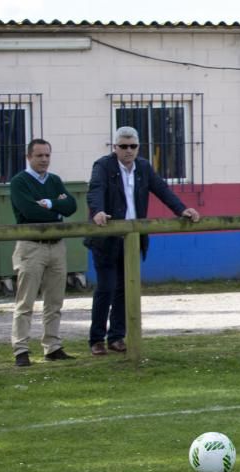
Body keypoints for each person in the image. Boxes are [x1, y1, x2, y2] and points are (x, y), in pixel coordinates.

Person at [84, 127, 200, 356]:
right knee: (106, 288)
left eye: (133, 146)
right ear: (115, 147)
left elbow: (162, 190)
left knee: (124, 289)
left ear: (138, 147)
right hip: (107, 237)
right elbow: (95, 190)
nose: (128, 151)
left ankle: (116, 337)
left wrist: (181, 210)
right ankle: (96, 339)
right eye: (123, 146)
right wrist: (97, 211)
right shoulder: (103, 166)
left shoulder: (144, 167)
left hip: (133, 239)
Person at [9, 139, 77, 367]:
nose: (44, 160)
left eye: (47, 155)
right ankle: (21, 349)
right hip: (31, 246)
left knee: (55, 300)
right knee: (25, 301)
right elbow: (28, 211)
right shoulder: (20, 182)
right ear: (29, 157)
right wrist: (57, 210)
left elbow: (71, 206)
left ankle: (53, 346)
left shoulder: (55, 180)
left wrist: (48, 203)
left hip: (56, 246)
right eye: (39, 156)